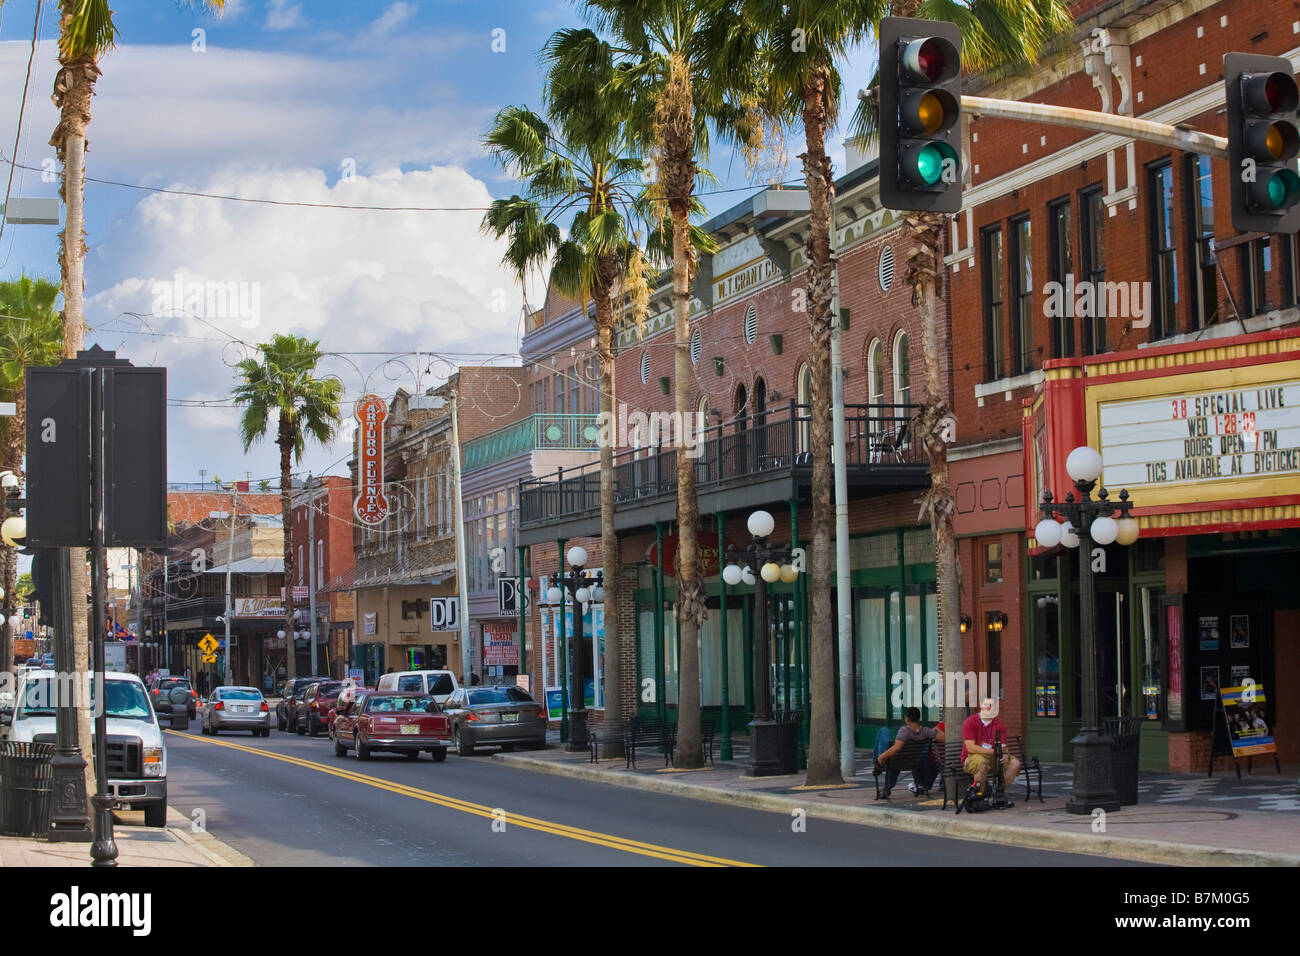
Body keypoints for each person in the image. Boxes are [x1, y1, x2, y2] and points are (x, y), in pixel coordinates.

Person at [874, 707, 945, 798]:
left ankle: (877, 764)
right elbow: (944, 738)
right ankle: (885, 783)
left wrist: (881, 757)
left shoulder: (904, 730)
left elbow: (896, 748)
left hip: (895, 761)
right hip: (914, 761)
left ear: (907, 719)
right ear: (918, 718)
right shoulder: (926, 731)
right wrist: (937, 729)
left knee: (883, 731)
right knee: (892, 753)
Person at [961, 697, 1021, 795]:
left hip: (994, 757)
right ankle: (980, 795)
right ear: (980, 705)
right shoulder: (970, 722)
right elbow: (970, 748)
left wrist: (1005, 754)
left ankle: (997, 793)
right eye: (985, 704)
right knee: (982, 764)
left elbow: (1004, 747)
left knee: (1015, 763)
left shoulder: (999, 725)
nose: (988, 707)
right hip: (972, 756)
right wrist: (994, 752)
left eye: (991, 705)